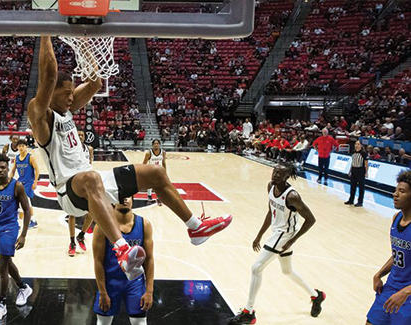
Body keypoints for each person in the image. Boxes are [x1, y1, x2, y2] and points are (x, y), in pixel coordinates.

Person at [27, 36, 232, 281]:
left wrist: (83, 46)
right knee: (92, 178)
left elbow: (95, 83)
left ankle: (195, 227)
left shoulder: (67, 111)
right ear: (50, 94)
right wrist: (45, 31)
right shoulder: (40, 117)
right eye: (66, 94)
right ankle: (122, 249)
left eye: (72, 93)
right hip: (68, 192)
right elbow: (49, 77)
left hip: (90, 182)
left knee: (155, 174)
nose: (71, 98)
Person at [228, 164, 326, 324]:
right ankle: (317, 296)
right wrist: (259, 235)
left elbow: (311, 219)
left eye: (279, 174)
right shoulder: (270, 186)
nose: (275, 175)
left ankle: (248, 312)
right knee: (287, 271)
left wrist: (292, 240)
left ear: (286, 177)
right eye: (274, 171)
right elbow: (270, 211)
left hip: (285, 235)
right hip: (277, 233)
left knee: (256, 268)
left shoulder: (292, 196)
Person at [0, 154, 33, 322]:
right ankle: (23, 287)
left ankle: (1, 304)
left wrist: (23, 234)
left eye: (3, 167)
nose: (1, 170)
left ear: (8, 168)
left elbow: (28, 210)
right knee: (7, 262)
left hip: (10, 228)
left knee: (2, 264)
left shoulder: (17, 186)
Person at [93, 197, 154, 325]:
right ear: (113, 201)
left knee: (140, 323)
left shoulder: (144, 225)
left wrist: (149, 291)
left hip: (135, 282)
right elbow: (98, 261)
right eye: (121, 197)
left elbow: (149, 260)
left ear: (133, 200)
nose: (125, 199)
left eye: (128, 196)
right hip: (110, 282)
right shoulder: (102, 226)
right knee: (103, 323)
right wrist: (103, 292)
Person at [366, 170, 411, 325]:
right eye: (396, 190)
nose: (395, 194)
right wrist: (379, 274)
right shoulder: (396, 218)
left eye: (402, 191)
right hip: (391, 287)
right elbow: (398, 254)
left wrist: (406, 292)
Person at [67, 130, 95, 257]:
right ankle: (72, 242)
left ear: (85, 137)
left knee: (92, 212)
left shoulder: (89, 149)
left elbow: (90, 164)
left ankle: (81, 235)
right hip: (73, 182)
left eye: (82, 135)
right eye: (78, 135)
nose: (80, 136)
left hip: (86, 183)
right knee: (71, 213)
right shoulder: (69, 149)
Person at [9, 139, 39, 229]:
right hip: (20, 182)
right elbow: (13, 170)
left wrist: (35, 182)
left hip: (29, 183)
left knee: (25, 203)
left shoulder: (30, 157)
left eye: (23, 146)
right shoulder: (17, 158)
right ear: (17, 147)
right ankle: (31, 220)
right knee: (21, 203)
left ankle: (29, 221)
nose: (21, 148)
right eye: (19, 146)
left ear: (26, 147)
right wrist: (9, 181)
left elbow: (37, 170)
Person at [142, 139, 167, 206]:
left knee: (160, 185)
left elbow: (164, 162)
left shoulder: (163, 152)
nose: (156, 145)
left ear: (159, 144)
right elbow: (144, 163)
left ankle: (159, 198)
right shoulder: (149, 153)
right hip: (151, 170)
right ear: (152, 145)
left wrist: (165, 172)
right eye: (155, 144)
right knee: (150, 184)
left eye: (157, 143)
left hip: (159, 171)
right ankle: (149, 197)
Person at [344, 141, 368, 207]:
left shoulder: (363, 153)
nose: (357, 145)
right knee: (352, 186)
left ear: (361, 145)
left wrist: (366, 172)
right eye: (356, 144)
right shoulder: (353, 152)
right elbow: (352, 162)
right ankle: (351, 200)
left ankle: (360, 202)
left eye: (358, 144)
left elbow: (366, 164)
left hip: (360, 170)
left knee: (361, 187)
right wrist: (350, 171)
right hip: (354, 170)